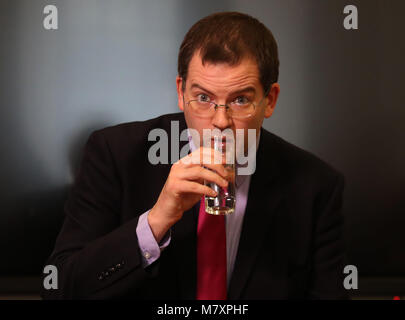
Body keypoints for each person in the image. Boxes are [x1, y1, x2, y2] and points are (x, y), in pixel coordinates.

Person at [41, 12, 347, 299]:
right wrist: (156, 221)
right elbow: (59, 288)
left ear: (270, 101)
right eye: (203, 98)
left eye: (241, 100)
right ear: (180, 92)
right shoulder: (114, 154)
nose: (221, 122)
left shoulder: (317, 186)